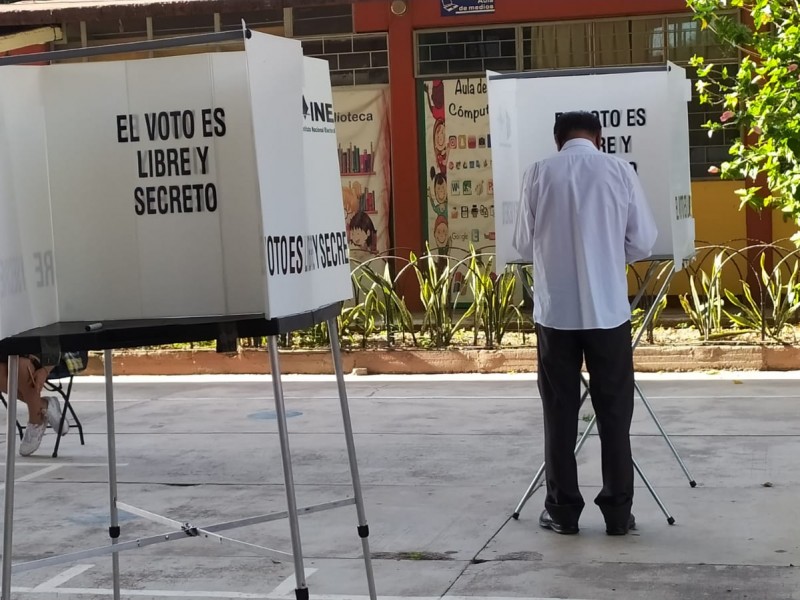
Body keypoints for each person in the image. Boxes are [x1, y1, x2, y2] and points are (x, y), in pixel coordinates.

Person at [512, 111, 657, 536]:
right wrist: (608, 258)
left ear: (558, 141)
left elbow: (522, 241)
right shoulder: (618, 171)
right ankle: (617, 513)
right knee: (615, 413)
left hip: (556, 314)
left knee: (559, 412)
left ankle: (562, 511)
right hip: (608, 312)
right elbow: (643, 240)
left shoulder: (538, 173)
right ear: (598, 138)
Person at [0, 354, 69, 456]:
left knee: (22, 365)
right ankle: (43, 405)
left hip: (57, 355)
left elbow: (59, 342)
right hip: (15, 351)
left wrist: (45, 370)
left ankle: (36, 419)